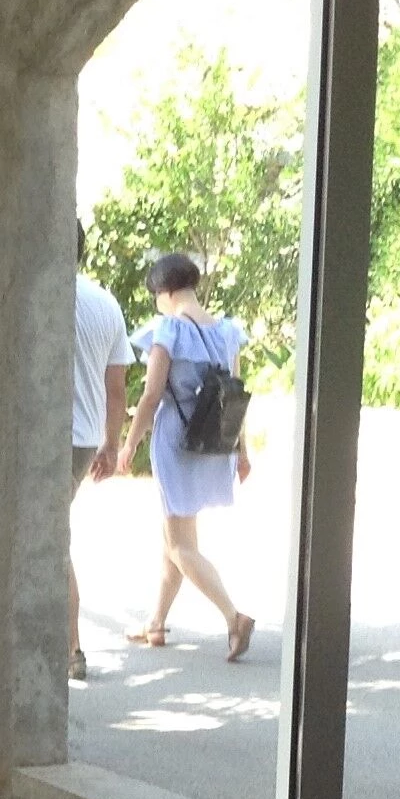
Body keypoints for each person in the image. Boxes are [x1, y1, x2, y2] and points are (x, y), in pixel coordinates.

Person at [116, 252, 255, 661]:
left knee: (180, 543)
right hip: (214, 440)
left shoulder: (168, 330)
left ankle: (234, 617)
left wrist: (129, 443)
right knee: (173, 536)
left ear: (165, 291)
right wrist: (242, 450)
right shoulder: (227, 331)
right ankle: (156, 622)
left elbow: (151, 395)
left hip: (177, 441)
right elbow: (234, 394)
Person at [70, 221, 133, 681]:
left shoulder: (38, 295)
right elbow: (117, 389)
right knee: (54, 539)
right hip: (85, 437)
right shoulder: (105, 303)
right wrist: (111, 444)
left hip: (45, 437)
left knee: (50, 544)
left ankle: (71, 648)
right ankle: (69, 647)